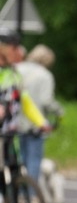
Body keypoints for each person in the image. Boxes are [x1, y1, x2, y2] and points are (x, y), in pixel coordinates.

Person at [0, 31, 50, 174]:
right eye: (14, 48)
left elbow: (26, 102)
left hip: (9, 134)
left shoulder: (14, 73)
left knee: (15, 171)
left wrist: (41, 122)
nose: (19, 52)